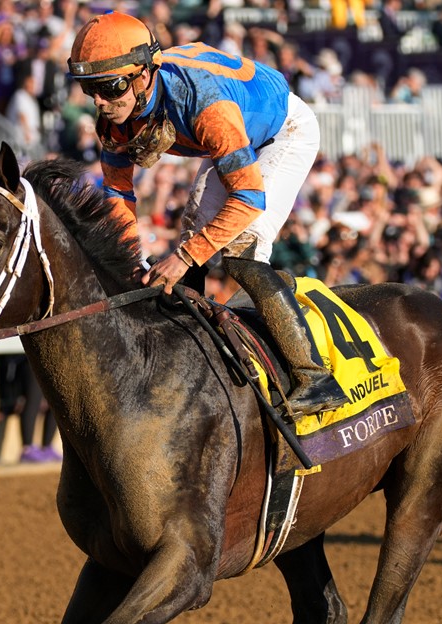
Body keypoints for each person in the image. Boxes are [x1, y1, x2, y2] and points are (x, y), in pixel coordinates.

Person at [68, 12, 347, 417]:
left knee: (240, 247)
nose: (100, 103)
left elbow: (249, 198)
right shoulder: (116, 114)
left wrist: (182, 259)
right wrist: (127, 257)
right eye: (89, 89)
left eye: (110, 88)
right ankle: (189, 355)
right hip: (234, 133)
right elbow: (118, 192)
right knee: (194, 233)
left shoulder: (205, 106)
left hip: (281, 131)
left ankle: (314, 376)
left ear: (145, 74)